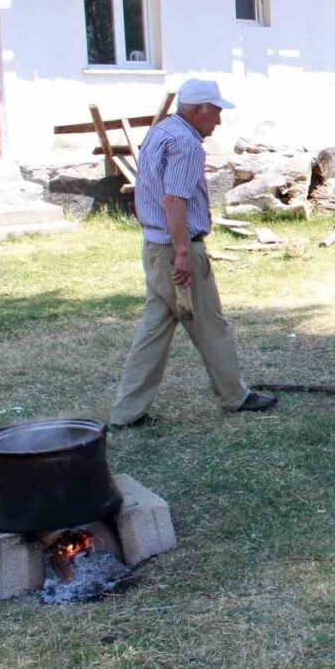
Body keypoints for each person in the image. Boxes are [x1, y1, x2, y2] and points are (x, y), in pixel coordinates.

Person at [109, 79, 276, 429]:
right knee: (211, 326)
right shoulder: (186, 143)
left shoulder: (162, 130)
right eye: (215, 112)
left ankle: (127, 413)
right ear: (198, 109)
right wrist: (184, 254)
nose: (217, 120)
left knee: (154, 330)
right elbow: (174, 200)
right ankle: (235, 395)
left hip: (155, 248)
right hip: (175, 250)